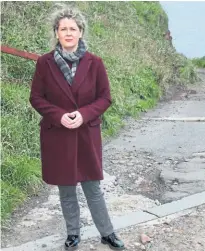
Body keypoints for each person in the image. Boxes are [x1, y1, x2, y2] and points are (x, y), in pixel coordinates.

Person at [29, 6, 125, 251]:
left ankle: (107, 233)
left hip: (86, 133)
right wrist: (59, 116)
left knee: (93, 187)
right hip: (58, 134)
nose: (68, 33)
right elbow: (37, 98)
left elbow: (105, 98)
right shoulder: (44, 63)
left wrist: (83, 114)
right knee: (66, 188)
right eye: (63, 29)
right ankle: (73, 235)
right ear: (57, 33)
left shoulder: (95, 63)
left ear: (81, 32)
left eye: (73, 29)